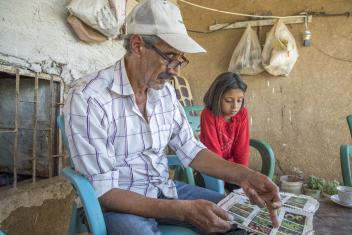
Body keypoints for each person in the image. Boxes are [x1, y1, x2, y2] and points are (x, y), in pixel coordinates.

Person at [63, 0, 281, 234]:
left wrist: (245, 176)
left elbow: (191, 149)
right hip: (117, 204)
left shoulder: (163, 92)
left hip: (164, 189)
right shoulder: (88, 98)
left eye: (180, 59)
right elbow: (104, 193)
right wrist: (182, 210)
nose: (176, 69)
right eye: (169, 57)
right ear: (137, 45)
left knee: (240, 220)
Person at [200, 72, 249, 192]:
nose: (235, 107)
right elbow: (213, 153)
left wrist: (243, 176)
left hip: (232, 168)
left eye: (239, 100)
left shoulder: (242, 114)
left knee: (244, 193)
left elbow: (241, 149)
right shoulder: (208, 115)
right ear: (217, 97)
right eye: (228, 100)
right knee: (216, 197)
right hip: (210, 167)